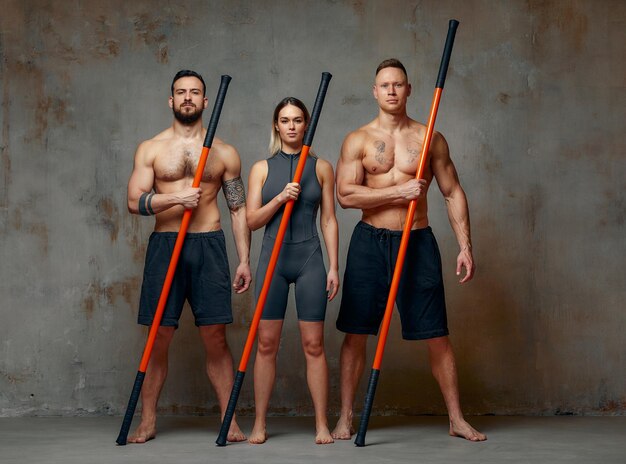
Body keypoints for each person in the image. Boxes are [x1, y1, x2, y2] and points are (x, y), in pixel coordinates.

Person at [331, 59, 486, 442]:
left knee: (438, 335)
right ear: (374, 90)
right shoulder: (358, 140)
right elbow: (346, 195)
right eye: (384, 85)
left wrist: (466, 246)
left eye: (398, 84)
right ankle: (346, 417)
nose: (391, 91)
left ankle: (456, 418)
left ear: (409, 89)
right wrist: (397, 192)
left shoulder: (430, 136)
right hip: (370, 242)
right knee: (355, 333)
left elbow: (452, 192)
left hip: (417, 242)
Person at [126, 69, 251, 443]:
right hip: (166, 246)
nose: (187, 98)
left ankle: (229, 420)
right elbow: (135, 201)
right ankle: (148, 421)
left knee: (215, 337)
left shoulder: (225, 153)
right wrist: (174, 199)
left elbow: (238, 209)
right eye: (180, 92)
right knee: (158, 337)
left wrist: (244, 259)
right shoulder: (151, 148)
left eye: (194, 92)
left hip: (208, 245)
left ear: (205, 101)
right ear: (171, 100)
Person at [245, 97, 339, 445]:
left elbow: (329, 219)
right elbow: (252, 221)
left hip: (310, 259)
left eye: (298, 120)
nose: (292, 126)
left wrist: (334, 266)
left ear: (307, 124)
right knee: (266, 343)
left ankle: (321, 425)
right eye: (285, 121)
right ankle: (259, 424)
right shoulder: (261, 169)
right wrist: (280, 198)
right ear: (276, 126)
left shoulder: (321, 167)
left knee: (314, 344)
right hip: (273, 259)